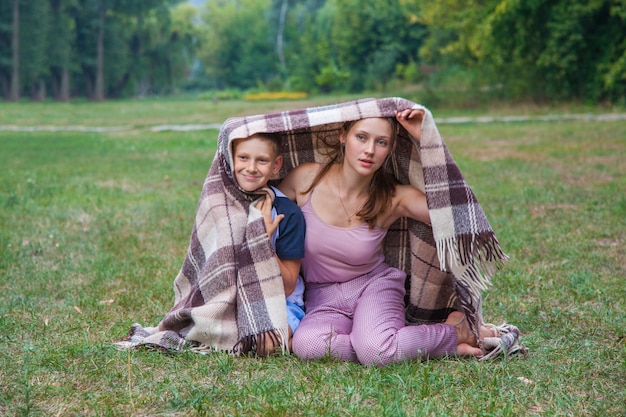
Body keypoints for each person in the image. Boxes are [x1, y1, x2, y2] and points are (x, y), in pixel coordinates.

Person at [278, 109, 496, 366]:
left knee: (375, 352)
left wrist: (426, 141)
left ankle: (455, 333)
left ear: (390, 149)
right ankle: (388, 342)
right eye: (361, 137)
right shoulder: (306, 179)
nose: (369, 150)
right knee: (307, 345)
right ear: (342, 136)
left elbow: (456, 213)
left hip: (374, 286)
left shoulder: (394, 197)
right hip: (322, 297)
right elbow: (262, 207)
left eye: (381, 142)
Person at [231, 132, 306, 355]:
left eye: (261, 160)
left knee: (263, 344)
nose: (251, 167)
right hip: (232, 296)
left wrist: (263, 242)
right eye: (243, 158)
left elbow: (289, 285)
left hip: (280, 299)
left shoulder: (287, 213)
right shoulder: (222, 204)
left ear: (276, 165)